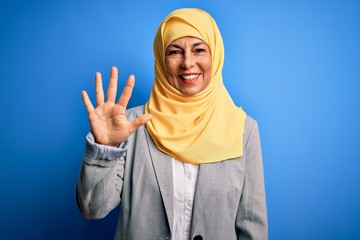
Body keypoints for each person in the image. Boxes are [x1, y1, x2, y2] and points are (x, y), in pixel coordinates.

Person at [76, 8, 268, 240]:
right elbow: (93, 209)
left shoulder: (244, 130)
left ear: (215, 56)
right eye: (175, 52)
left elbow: (252, 227)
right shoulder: (128, 126)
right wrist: (104, 149)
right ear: (161, 59)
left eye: (199, 50)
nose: (188, 63)